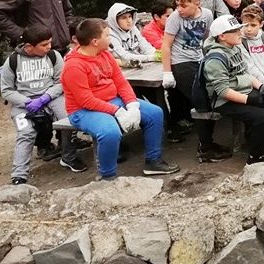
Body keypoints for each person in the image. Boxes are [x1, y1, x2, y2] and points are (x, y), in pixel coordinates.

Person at [61, 18, 179, 179]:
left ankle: (153, 161)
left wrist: (132, 104)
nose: (110, 39)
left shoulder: (105, 55)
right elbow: (85, 100)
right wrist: (117, 111)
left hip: (113, 101)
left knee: (155, 113)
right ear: (95, 41)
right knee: (110, 132)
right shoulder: (73, 66)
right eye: (107, 35)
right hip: (83, 110)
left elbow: (121, 82)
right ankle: (108, 177)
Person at [0, 24, 86, 183]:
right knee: (25, 132)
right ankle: (19, 175)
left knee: (69, 121)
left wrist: (45, 97)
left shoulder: (54, 56)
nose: (49, 47)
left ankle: (68, 157)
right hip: (23, 103)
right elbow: (6, 90)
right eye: (44, 45)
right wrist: (26, 101)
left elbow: (61, 82)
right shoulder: (12, 61)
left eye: (50, 42)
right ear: (29, 46)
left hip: (51, 97)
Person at [202, 14, 264, 165]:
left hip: (242, 91)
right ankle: (254, 156)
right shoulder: (215, 59)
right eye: (235, 31)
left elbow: (245, 73)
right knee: (262, 117)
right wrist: (250, 99)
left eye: (239, 29)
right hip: (224, 101)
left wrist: (263, 88)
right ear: (222, 36)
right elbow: (222, 91)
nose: (240, 33)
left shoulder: (234, 47)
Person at [161, 0, 227, 160]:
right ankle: (205, 149)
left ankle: (207, 143)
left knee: (210, 100)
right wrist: (167, 72)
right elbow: (166, 45)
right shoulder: (175, 18)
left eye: (183, 5)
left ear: (197, 3)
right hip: (181, 62)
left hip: (199, 59)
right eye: (177, 5)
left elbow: (207, 38)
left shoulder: (206, 15)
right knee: (201, 101)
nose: (179, 9)